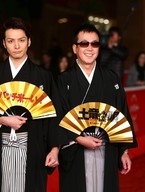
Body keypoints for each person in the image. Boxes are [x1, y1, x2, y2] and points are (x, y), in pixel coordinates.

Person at [0, 17, 63, 192]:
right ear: (4, 44)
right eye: (11, 41)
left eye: (21, 40)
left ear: (29, 42)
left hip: (34, 147)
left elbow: (54, 115)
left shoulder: (43, 77)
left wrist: (54, 150)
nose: (16, 46)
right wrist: (2, 120)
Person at [57, 23, 138, 192]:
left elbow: (121, 113)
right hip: (75, 149)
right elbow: (58, 116)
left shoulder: (111, 79)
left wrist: (124, 151)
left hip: (106, 147)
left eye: (94, 44)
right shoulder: (63, 81)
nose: (89, 48)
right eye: (84, 44)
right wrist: (79, 138)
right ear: (74, 48)